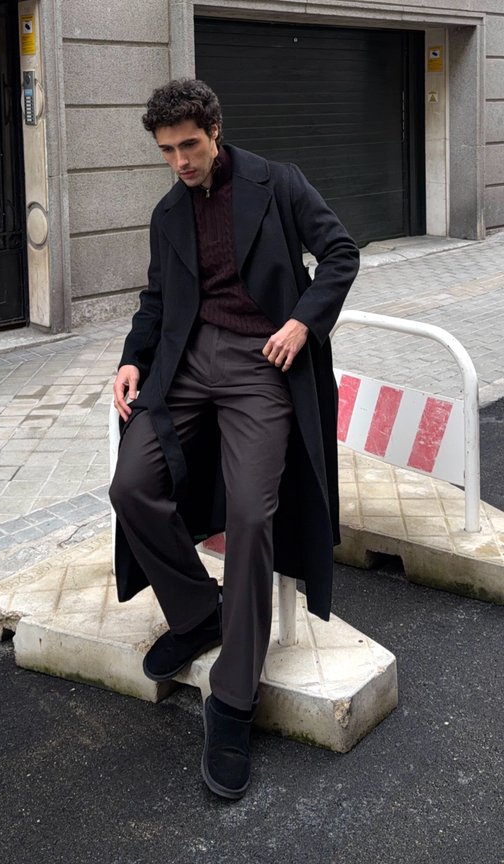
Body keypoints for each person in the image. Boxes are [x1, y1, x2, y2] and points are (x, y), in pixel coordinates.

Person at [109, 79, 359, 800]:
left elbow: (339, 254)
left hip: (264, 364)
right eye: (167, 151)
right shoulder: (167, 212)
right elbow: (157, 299)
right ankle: (197, 613)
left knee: (254, 516)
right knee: (131, 484)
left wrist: (302, 321)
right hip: (188, 362)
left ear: (215, 129)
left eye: (189, 145)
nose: (180, 161)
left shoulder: (278, 184)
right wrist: (132, 358)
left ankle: (234, 699)